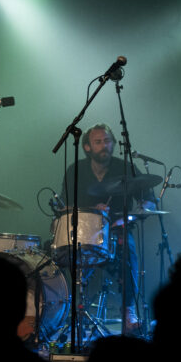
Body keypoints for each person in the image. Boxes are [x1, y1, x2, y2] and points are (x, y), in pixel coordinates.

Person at [59, 123, 154, 332]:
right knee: (57, 253)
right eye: (98, 142)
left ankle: (128, 311)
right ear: (87, 147)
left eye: (108, 141)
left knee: (128, 255)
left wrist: (126, 219)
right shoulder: (75, 170)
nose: (104, 146)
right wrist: (91, 210)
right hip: (83, 231)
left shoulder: (125, 167)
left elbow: (149, 201)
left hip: (117, 230)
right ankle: (61, 311)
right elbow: (65, 206)